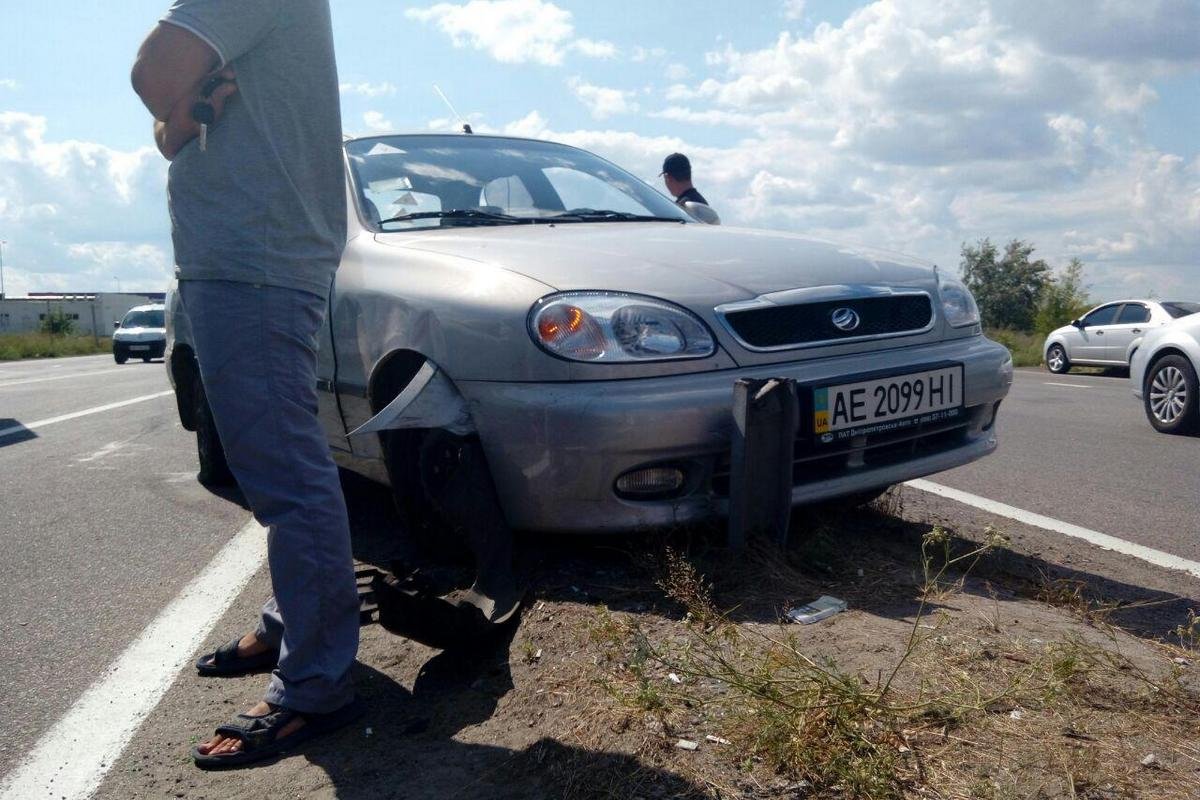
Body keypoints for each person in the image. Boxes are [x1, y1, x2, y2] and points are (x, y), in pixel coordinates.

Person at [131, 0, 361, 768]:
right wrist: (184, 109)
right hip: (238, 257)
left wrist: (177, 102)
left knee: (286, 475)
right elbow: (171, 131)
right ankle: (297, 623)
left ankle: (317, 684)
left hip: (254, 259)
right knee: (276, 463)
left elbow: (153, 75)